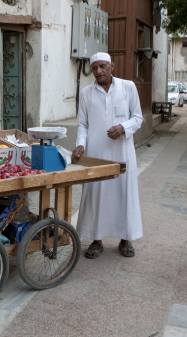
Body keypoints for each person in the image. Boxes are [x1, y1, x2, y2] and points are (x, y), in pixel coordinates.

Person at [71, 52, 143, 259]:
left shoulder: (128, 87)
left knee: (124, 193)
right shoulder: (86, 93)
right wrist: (80, 145)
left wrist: (123, 127)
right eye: (94, 68)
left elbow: (137, 117)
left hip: (122, 152)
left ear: (112, 66)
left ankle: (125, 238)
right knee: (96, 194)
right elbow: (83, 124)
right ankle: (96, 240)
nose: (98, 71)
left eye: (102, 66)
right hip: (96, 154)